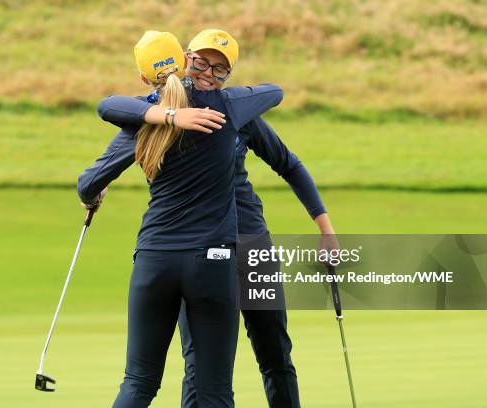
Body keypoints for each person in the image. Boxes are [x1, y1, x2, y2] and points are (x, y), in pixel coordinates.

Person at [96, 28, 338, 408]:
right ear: (184, 58)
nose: (209, 73)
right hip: (205, 248)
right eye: (202, 62)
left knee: (274, 351)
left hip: (252, 245)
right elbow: (113, 116)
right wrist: (101, 181)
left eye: (221, 69)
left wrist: (325, 229)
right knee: (200, 363)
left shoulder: (234, 110)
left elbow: (288, 164)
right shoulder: (157, 110)